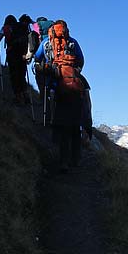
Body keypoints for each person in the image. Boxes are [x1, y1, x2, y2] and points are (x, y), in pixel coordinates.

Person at [45, 20, 86, 171]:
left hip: (57, 88)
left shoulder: (47, 43)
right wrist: (75, 72)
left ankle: (63, 161)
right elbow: (81, 60)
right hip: (75, 88)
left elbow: (38, 58)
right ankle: (76, 160)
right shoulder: (73, 42)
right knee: (75, 125)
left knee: (62, 125)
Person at [0, 15, 29, 105]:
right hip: (23, 54)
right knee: (22, 75)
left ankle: (18, 97)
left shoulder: (6, 28)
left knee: (14, 75)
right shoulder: (21, 28)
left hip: (12, 53)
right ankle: (26, 95)